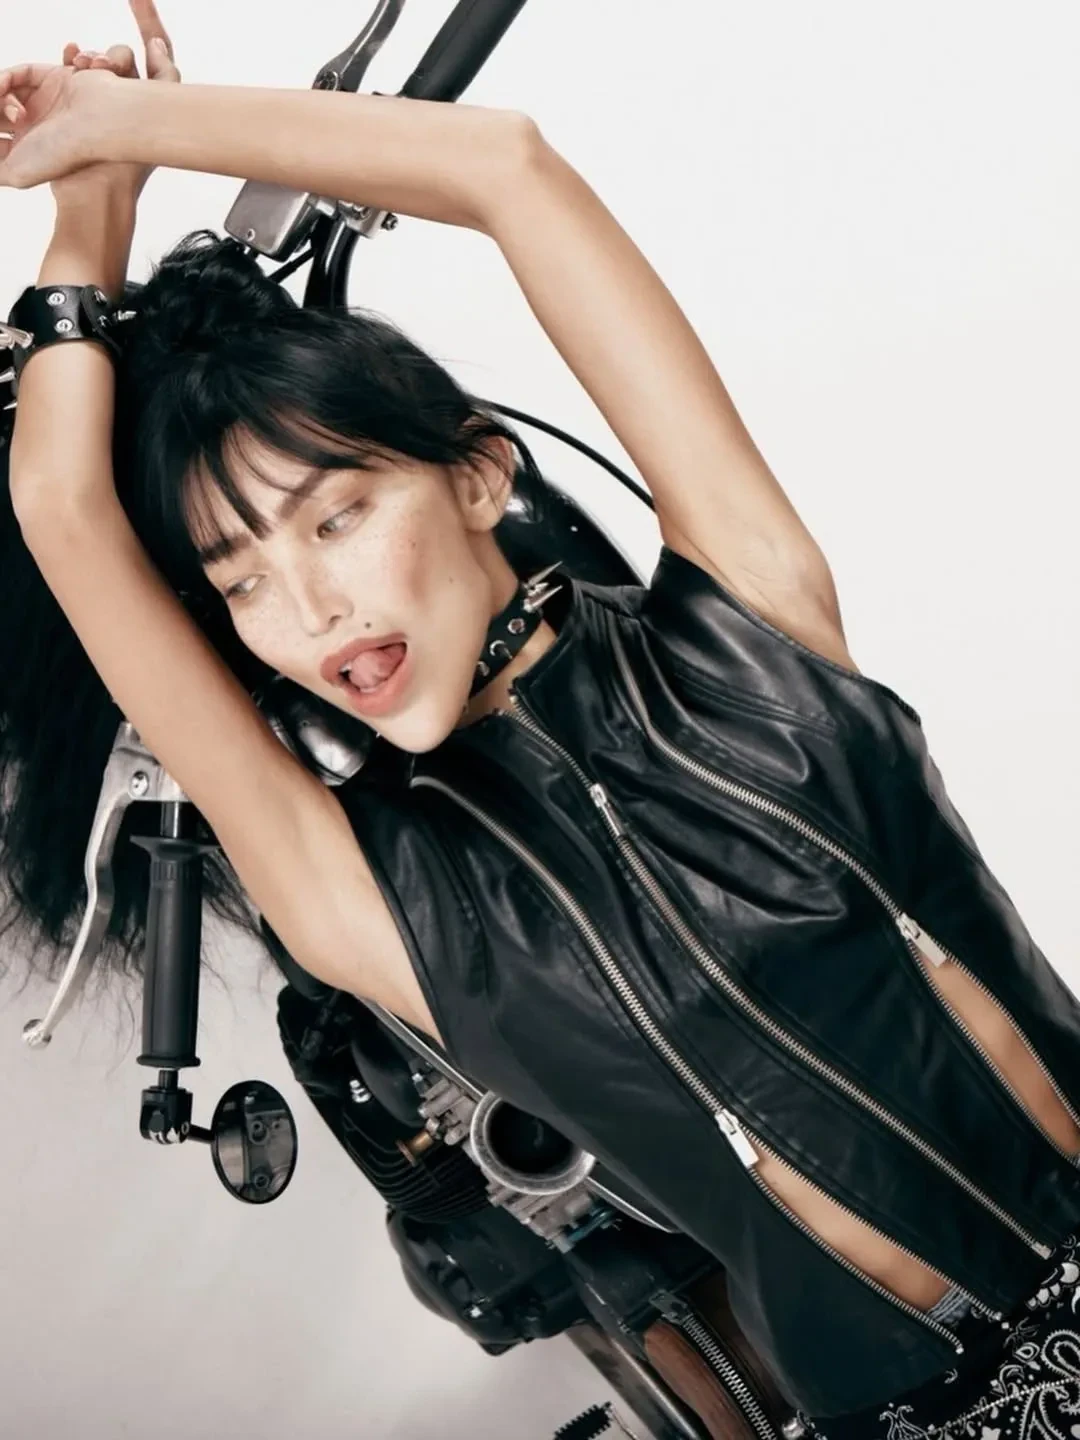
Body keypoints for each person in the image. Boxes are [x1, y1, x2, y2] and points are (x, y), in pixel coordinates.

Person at [2, 6, 1080, 1435]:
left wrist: (123, 125)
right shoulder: (376, 908)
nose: (309, 608)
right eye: (242, 580)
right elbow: (62, 507)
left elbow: (504, 166)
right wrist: (88, 224)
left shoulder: (753, 624)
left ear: (478, 476)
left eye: (335, 517)